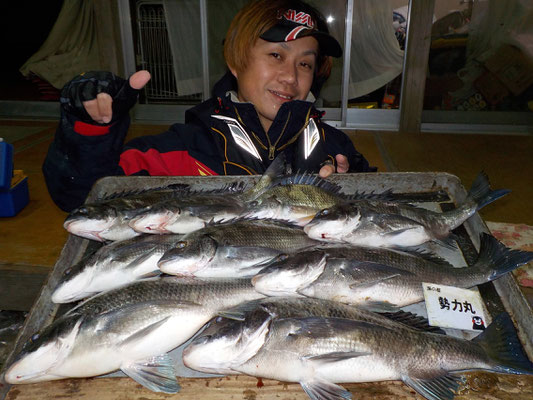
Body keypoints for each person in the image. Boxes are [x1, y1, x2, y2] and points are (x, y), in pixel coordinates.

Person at [43, 0, 376, 212]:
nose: (290, 76)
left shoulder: (334, 147)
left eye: (305, 64)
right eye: (276, 55)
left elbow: (382, 205)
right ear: (235, 60)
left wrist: (348, 189)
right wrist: (89, 131)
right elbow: (83, 197)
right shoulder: (184, 149)